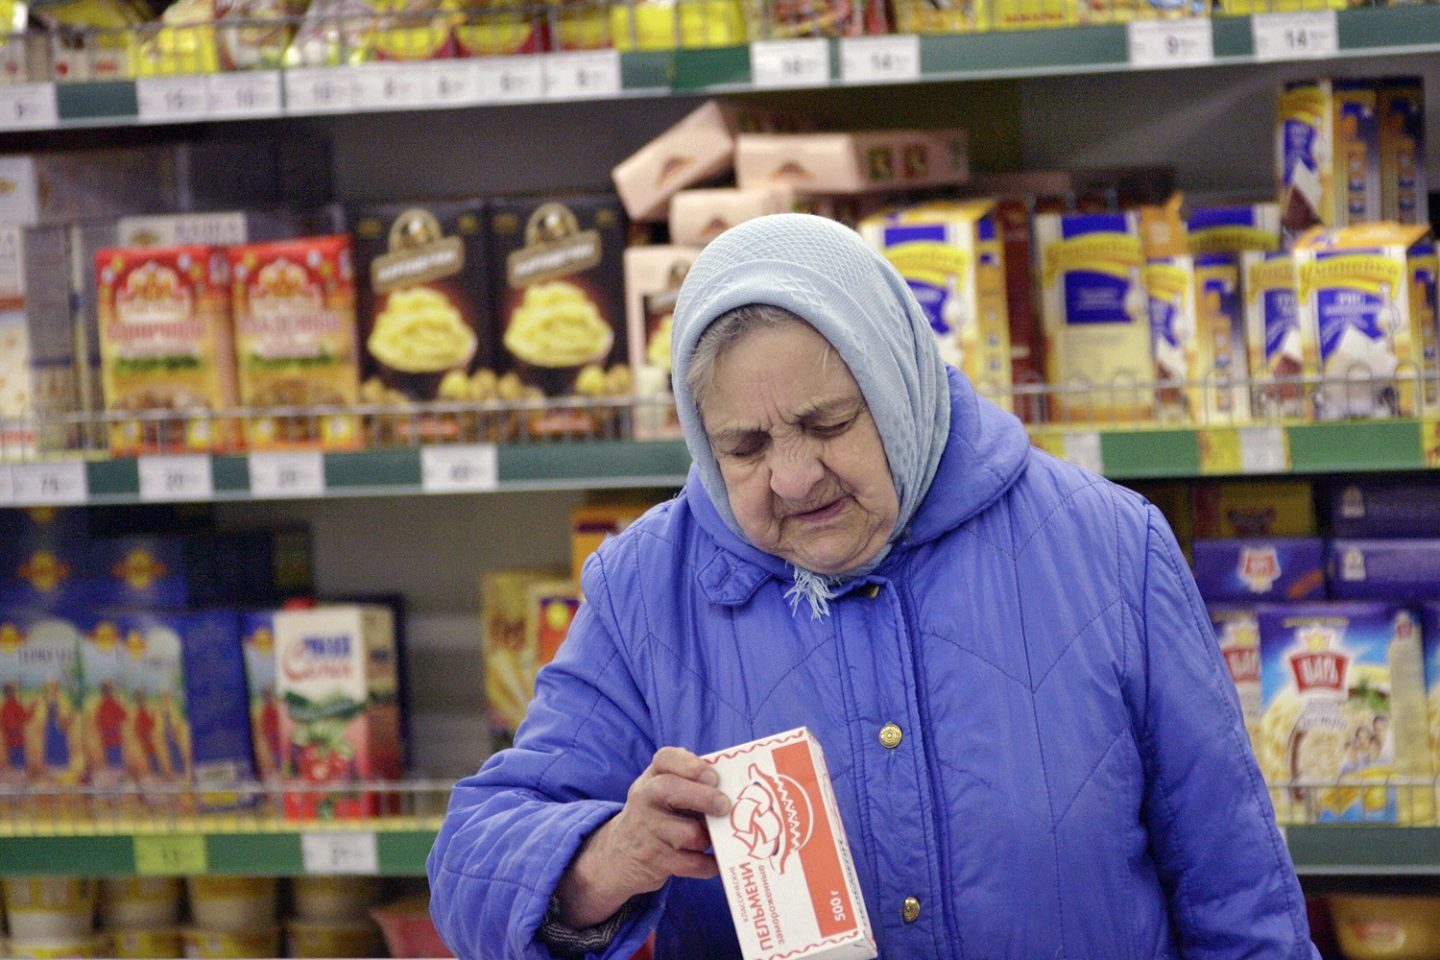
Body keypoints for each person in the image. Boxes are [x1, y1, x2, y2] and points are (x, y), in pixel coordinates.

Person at [429, 214, 1318, 959]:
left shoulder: (1109, 547)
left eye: (828, 424)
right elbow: (471, 859)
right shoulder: (644, 591)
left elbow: (1240, 900)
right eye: (743, 447)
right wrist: (606, 857)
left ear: (896, 386)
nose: (791, 476)